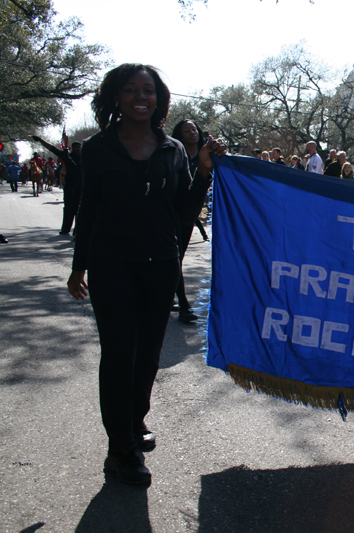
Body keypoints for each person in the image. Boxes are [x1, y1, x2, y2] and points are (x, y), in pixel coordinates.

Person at [67, 63, 226, 486]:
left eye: (149, 90)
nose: (141, 96)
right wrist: (78, 265)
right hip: (111, 262)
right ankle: (120, 450)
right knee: (120, 354)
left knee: (149, 355)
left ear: (159, 98)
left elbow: (183, 211)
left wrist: (206, 172)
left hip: (160, 262)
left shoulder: (173, 149)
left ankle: (133, 423)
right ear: (116, 96)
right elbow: (88, 210)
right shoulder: (98, 148)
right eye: (131, 89)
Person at [170, 119, 210, 323]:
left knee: (177, 258)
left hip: (192, 213)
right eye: (187, 130)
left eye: (194, 129)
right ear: (180, 134)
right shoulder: (175, 153)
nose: (192, 132)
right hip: (174, 212)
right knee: (175, 258)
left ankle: (168, 294)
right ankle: (184, 305)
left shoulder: (207, 154)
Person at [31, 136, 83, 235]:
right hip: (69, 185)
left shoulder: (85, 156)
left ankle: (78, 230)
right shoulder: (67, 156)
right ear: (72, 148)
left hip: (81, 186)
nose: (78, 149)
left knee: (79, 209)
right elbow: (53, 149)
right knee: (68, 207)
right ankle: (65, 229)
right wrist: (41, 140)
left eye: (79, 147)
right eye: (76, 147)